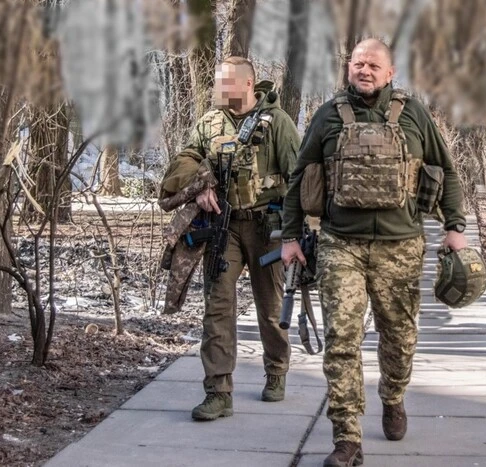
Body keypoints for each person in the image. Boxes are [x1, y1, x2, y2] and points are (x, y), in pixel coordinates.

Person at [280, 38, 468, 466]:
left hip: (400, 248)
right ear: (349, 67)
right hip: (339, 244)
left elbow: (448, 173)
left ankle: (393, 395)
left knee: (399, 338)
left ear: (390, 71)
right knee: (342, 340)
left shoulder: (414, 114)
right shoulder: (327, 116)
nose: (364, 70)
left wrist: (455, 228)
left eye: (373, 64)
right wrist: (290, 237)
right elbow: (298, 179)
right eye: (358, 63)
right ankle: (347, 438)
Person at [160, 56, 301, 420]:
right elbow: (187, 159)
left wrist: (294, 233)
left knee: (270, 307)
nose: (218, 88)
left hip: (266, 227)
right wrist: (198, 187)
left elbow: (298, 177)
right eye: (217, 81)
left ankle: (276, 370)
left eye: (225, 82)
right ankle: (218, 391)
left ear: (248, 84)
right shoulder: (209, 123)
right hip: (223, 225)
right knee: (217, 306)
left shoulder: (278, 123)